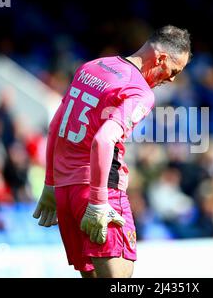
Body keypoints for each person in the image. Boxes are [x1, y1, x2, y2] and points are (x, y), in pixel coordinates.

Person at [32, 25, 191, 278]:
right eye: (174, 71)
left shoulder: (91, 67)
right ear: (161, 58)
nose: (172, 79)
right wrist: (97, 202)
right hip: (101, 190)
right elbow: (103, 140)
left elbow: (56, 126)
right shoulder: (140, 92)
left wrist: (51, 183)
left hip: (65, 190)